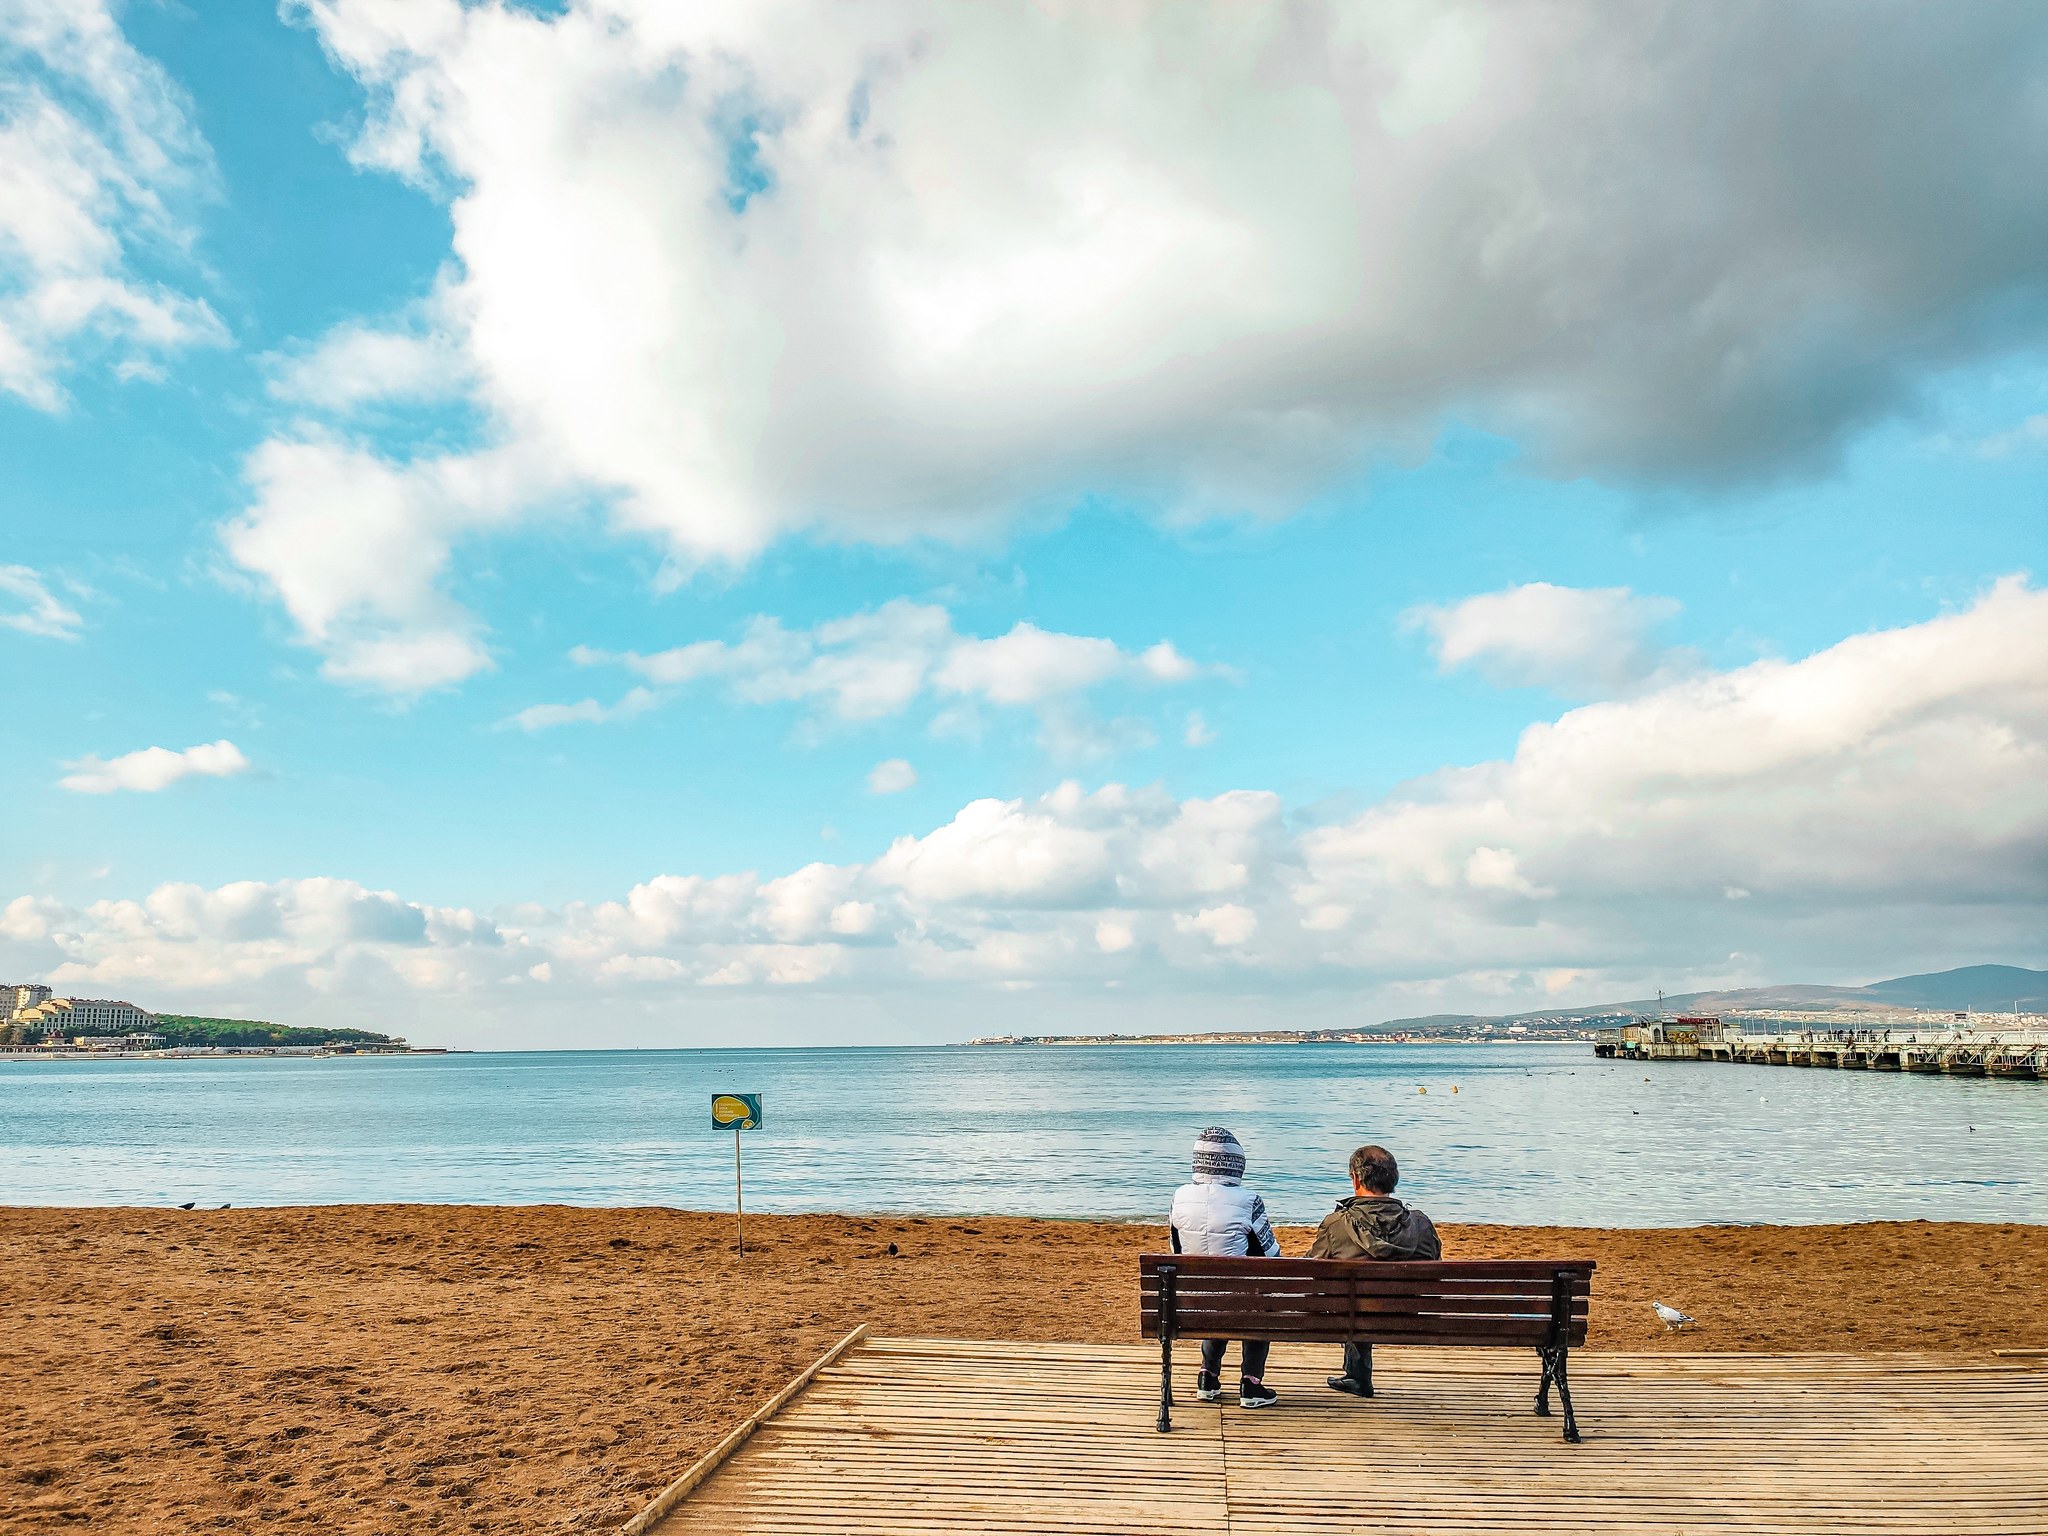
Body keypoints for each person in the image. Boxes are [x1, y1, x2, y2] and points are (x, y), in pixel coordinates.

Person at [1308, 1143, 1440, 1398]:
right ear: (1394, 1179)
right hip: (1409, 1315)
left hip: (1350, 1315)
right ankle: (1356, 1376)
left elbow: (1313, 1271)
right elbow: (1435, 1267)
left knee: (1352, 1300)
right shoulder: (1421, 1224)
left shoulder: (1336, 1224)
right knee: (1360, 1299)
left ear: (1356, 1179)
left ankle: (1357, 1375)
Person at [1168, 1126, 1281, 1409]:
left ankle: (1208, 1376)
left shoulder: (1179, 1197)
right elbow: (1272, 1254)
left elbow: (1175, 1250)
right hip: (1240, 1303)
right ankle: (1251, 1384)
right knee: (1258, 1302)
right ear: (1237, 1163)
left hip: (1194, 1303)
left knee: (1215, 1293)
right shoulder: (1249, 1200)